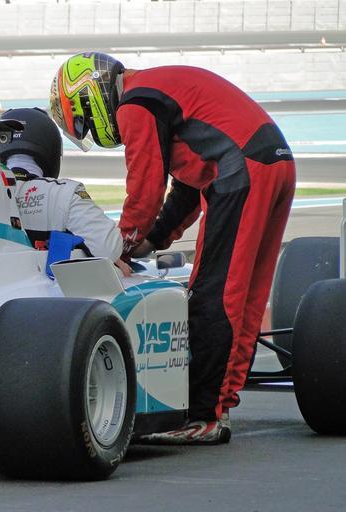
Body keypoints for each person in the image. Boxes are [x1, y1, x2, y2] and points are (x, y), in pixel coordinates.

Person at [49, 53, 296, 444]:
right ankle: (219, 406)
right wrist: (153, 240)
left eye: (85, 124)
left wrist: (122, 244)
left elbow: (145, 191)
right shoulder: (158, 90)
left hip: (241, 167)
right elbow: (187, 189)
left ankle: (202, 415)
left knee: (214, 294)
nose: (93, 131)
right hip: (275, 161)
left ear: (89, 99)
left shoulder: (135, 104)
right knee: (247, 298)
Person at [0, 107, 131, 277]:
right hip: (37, 291)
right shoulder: (63, 193)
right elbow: (108, 248)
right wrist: (71, 244)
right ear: (51, 147)